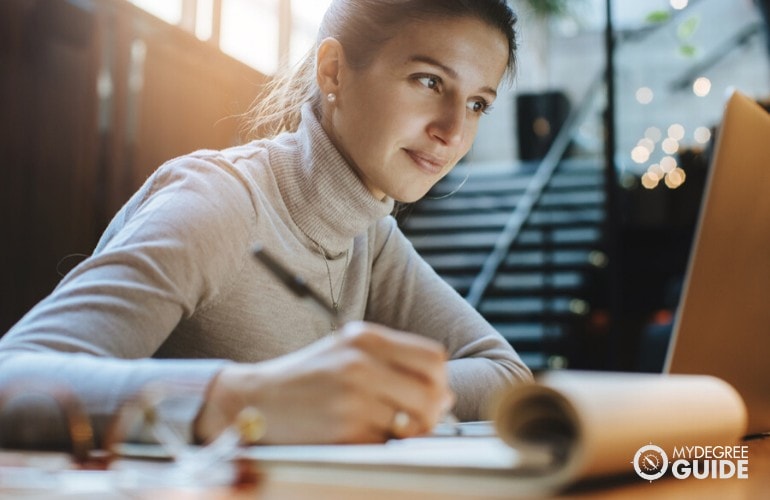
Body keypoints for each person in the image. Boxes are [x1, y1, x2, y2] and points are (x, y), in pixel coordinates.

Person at [0, 0, 531, 450]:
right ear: (333, 72)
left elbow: (506, 376)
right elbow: (13, 378)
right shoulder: (220, 201)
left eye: (478, 103)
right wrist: (248, 400)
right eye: (429, 80)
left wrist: (370, 391)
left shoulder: (370, 234)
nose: (453, 131)